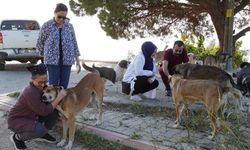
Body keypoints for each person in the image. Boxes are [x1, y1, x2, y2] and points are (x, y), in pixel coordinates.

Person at [8, 63, 67, 150]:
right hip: (17, 121)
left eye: (45, 81)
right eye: (40, 82)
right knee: (40, 129)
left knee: (54, 112)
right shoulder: (30, 92)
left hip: (32, 117)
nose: (43, 85)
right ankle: (17, 138)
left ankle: (41, 134)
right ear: (32, 79)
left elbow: (47, 107)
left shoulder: (40, 87)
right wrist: (58, 98)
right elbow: (44, 111)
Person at [36, 3, 81, 89]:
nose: (61, 19)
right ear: (54, 13)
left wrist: (78, 61)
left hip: (67, 61)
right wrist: (44, 56)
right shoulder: (46, 26)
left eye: (64, 17)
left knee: (63, 87)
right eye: (59, 17)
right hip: (52, 62)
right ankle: (53, 103)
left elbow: (74, 43)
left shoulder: (69, 26)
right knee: (53, 87)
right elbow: (40, 43)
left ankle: (62, 102)